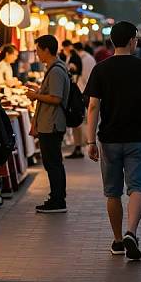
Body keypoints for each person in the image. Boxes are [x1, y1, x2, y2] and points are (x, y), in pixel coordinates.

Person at [86, 21, 141, 260]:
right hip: (138, 137)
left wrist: (90, 140)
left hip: (109, 138)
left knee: (112, 192)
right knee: (137, 188)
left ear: (111, 41)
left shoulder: (100, 69)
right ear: (132, 41)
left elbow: (93, 106)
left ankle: (118, 240)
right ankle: (132, 231)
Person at [27, 35, 70, 213]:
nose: (37, 55)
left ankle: (58, 200)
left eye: (37, 51)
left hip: (51, 124)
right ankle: (56, 197)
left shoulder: (56, 70)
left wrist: (35, 96)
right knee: (52, 162)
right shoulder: (54, 68)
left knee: (53, 162)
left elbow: (56, 97)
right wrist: (39, 91)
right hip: (49, 122)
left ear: (46, 50)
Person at [65, 42, 96, 159]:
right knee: (85, 118)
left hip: (81, 91)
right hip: (87, 91)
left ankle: (81, 145)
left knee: (79, 119)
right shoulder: (90, 58)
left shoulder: (79, 58)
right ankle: (81, 145)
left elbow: (81, 75)